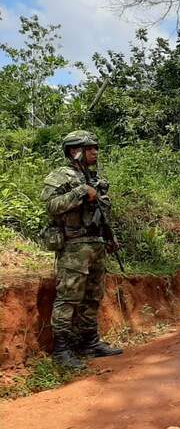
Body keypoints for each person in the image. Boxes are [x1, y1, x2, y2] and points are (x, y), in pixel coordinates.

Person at [41, 130, 123, 369]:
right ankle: (62, 350)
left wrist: (110, 237)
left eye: (95, 148)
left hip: (95, 243)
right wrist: (80, 192)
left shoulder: (93, 177)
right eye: (89, 148)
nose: (95, 152)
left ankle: (89, 343)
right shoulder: (61, 176)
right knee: (68, 297)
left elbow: (101, 214)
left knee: (93, 297)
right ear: (74, 151)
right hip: (73, 246)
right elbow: (51, 206)